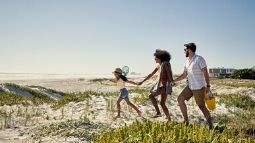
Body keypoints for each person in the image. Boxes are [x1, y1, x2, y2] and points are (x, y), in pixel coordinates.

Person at [173, 43, 213, 129]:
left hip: (199, 87)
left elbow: (205, 72)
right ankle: (186, 121)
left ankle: (211, 125)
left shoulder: (199, 59)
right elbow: (184, 75)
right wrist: (174, 80)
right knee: (180, 99)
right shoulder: (187, 61)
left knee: (201, 106)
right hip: (190, 86)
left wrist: (208, 86)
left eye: (185, 50)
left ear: (189, 50)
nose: (184, 51)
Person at [138, 49, 173, 121]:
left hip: (164, 85)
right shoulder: (159, 65)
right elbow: (151, 74)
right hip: (160, 85)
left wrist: (172, 82)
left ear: (160, 58)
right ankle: (164, 116)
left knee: (155, 99)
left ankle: (162, 115)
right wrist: (142, 81)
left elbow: (169, 73)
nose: (154, 59)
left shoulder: (165, 63)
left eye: (156, 57)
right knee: (161, 102)